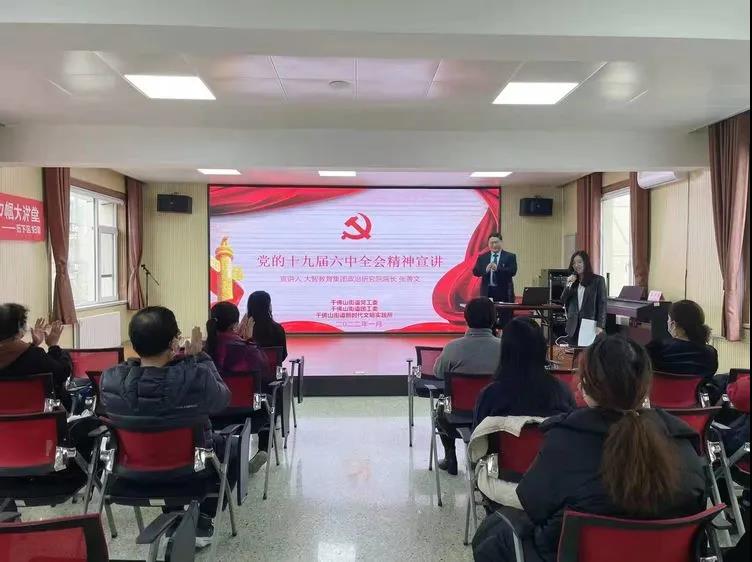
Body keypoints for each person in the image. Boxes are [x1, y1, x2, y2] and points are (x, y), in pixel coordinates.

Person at [473, 335, 707, 562]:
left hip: (565, 553)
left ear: (586, 384)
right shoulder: (683, 441)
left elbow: (534, 505)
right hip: (662, 555)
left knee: (492, 537)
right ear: (645, 385)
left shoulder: (565, 440)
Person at [100, 306, 233, 548]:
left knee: (158, 438)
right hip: (192, 473)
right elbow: (222, 400)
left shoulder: (109, 379)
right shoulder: (196, 375)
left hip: (132, 475)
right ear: (174, 343)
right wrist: (201, 358)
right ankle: (203, 519)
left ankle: (174, 515)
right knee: (230, 446)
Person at [433, 298, 500, 476]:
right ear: (493, 319)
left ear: (466, 318)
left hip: (456, 417)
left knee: (440, 410)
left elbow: (438, 373)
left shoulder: (452, 348)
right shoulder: (505, 348)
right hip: (496, 415)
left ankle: (450, 457)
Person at [473, 317, 575, 429]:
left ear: (505, 350)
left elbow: (477, 435)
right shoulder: (561, 392)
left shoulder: (490, 396)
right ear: (542, 348)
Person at [206, 301, 272, 472]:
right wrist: (249, 340)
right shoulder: (246, 348)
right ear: (235, 325)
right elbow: (266, 368)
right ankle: (263, 449)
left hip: (210, 414)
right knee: (268, 401)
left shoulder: (203, 350)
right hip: (246, 413)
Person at [0, 303, 71, 408]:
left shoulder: (33, 354)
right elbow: (62, 373)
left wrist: (33, 345)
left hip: (4, 417)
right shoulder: (36, 356)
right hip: (38, 416)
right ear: (20, 328)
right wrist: (53, 346)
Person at [646, 300, 718, 381]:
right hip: (692, 390)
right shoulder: (710, 353)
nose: (667, 322)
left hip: (658, 389)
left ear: (673, 324)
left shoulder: (656, 348)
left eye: (668, 319)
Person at [560, 250, 607, 346]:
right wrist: (568, 284)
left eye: (579, 262)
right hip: (573, 324)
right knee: (574, 352)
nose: (576, 265)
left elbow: (602, 304)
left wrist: (600, 325)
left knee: (588, 351)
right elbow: (563, 300)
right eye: (574, 263)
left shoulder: (598, 280)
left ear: (586, 263)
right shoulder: (573, 282)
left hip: (589, 324)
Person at [472, 233, 517, 329]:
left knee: (506, 320)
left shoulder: (510, 256)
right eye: (491, 243)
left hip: (504, 293)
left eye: (496, 242)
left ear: (501, 242)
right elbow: (475, 272)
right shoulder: (483, 257)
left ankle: (505, 337)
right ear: (488, 244)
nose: (494, 245)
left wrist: (498, 269)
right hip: (487, 292)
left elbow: (513, 271)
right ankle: (490, 336)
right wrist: (485, 270)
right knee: (487, 319)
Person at [246, 291, 288, 361]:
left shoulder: (245, 330)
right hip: (272, 367)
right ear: (268, 306)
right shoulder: (278, 328)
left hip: (250, 367)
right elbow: (283, 355)